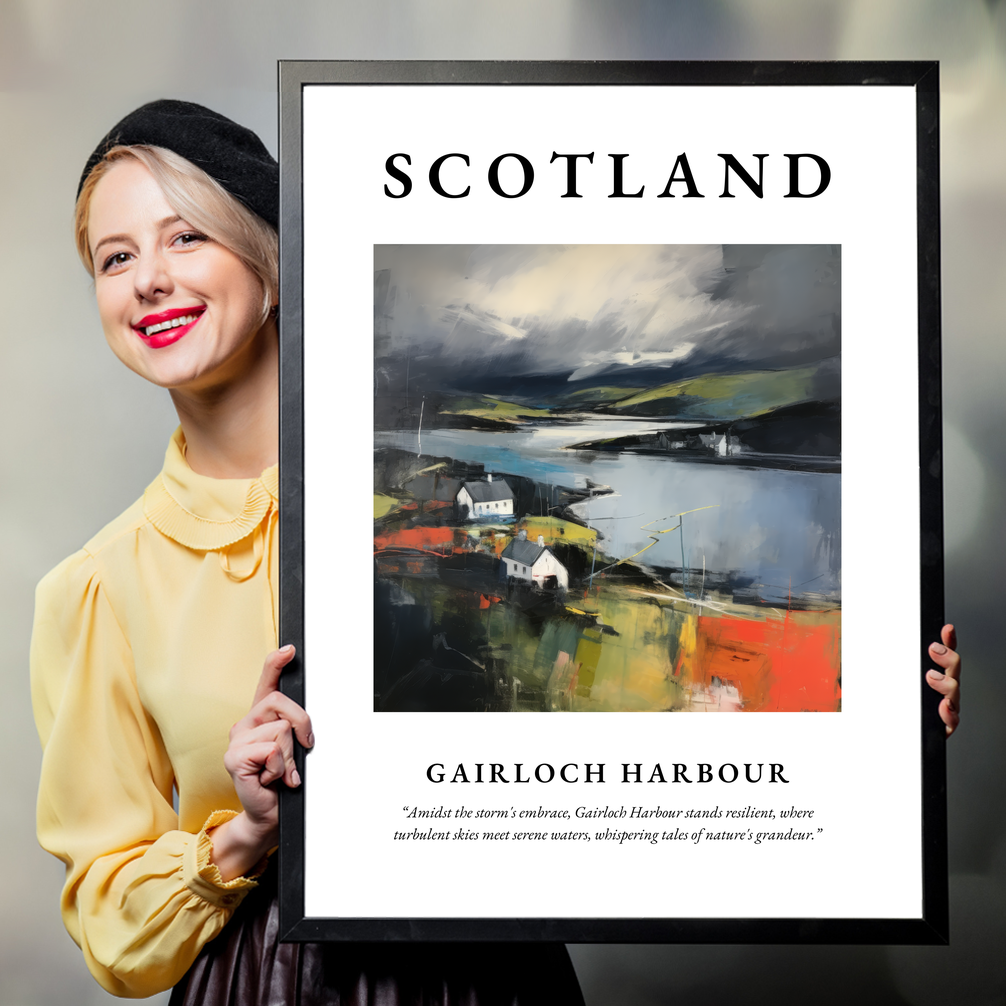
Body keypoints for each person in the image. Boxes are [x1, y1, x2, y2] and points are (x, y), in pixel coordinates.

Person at [30, 100, 585, 1004]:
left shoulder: (432, 503)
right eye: (116, 257)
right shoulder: (98, 587)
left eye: (185, 239)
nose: (148, 281)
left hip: (492, 973)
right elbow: (110, 923)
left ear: (273, 264)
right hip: (264, 981)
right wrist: (244, 832)